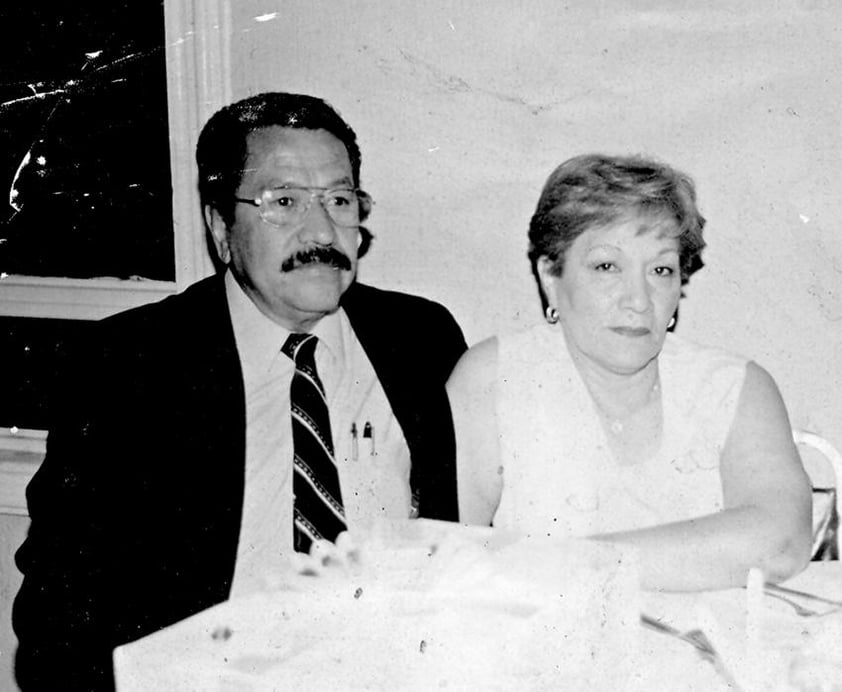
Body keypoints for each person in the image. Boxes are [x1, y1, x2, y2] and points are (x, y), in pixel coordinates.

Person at [13, 92, 467, 690]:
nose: (322, 229)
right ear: (221, 227)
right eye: (283, 202)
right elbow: (59, 618)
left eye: (339, 199)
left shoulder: (419, 339)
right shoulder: (129, 366)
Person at [447, 153, 812, 592]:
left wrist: (564, 567)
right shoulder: (494, 377)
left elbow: (781, 542)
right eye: (607, 266)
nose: (638, 299)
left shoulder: (735, 387)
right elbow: (444, 559)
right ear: (550, 276)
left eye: (660, 270)